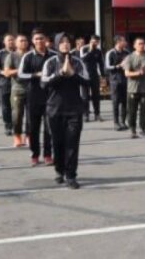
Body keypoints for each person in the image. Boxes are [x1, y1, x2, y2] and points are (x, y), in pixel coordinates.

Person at [41, 33, 89, 189]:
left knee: (72, 143)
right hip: (55, 109)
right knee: (58, 143)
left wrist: (72, 74)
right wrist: (61, 73)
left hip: (74, 109)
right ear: (56, 45)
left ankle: (71, 175)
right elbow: (44, 83)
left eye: (68, 41)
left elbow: (86, 81)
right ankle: (59, 171)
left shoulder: (78, 62)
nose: (65, 44)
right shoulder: (50, 62)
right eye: (61, 42)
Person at [19, 29, 56, 166]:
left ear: (46, 40)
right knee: (33, 128)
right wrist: (36, 75)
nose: (39, 41)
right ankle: (34, 155)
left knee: (49, 128)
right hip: (33, 96)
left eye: (41, 38)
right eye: (36, 39)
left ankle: (48, 155)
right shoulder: (28, 56)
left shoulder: (54, 55)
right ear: (32, 41)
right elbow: (21, 75)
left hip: (50, 97)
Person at [123, 37, 145, 139]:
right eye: (139, 44)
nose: (141, 45)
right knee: (132, 110)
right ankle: (132, 130)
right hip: (132, 88)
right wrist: (138, 73)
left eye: (143, 43)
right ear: (134, 46)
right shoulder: (129, 57)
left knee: (144, 110)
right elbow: (127, 73)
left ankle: (143, 129)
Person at [3, 34, 30, 147]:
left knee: (31, 115)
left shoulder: (31, 55)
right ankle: (17, 136)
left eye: (25, 40)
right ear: (16, 43)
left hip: (31, 89)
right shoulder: (11, 56)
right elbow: (6, 72)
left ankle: (29, 136)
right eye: (21, 40)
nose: (23, 42)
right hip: (17, 89)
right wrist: (20, 70)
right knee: (17, 114)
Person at [105, 35, 130, 131]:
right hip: (115, 81)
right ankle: (116, 123)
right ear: (118, 42)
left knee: (124, 102)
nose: (125, 42)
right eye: (123, 41)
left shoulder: (127, 52)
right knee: (115, 102)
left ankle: (123, 122)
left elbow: (130, 64)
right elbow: (107, 67)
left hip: (125, 80)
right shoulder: (110, 53)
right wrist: (118, 66)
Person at [0, 34, 16, 135]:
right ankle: (8, 125)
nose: (11, 41)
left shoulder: (18, 53)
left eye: (12, 40)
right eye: (9, 40)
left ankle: (16, 124)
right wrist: (3, 72)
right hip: (5, 83)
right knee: (5, 106)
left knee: (17, 107)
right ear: (4, 42)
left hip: (17, 83)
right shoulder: (0, 53)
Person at [80, 35, 105, 122]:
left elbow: (101, 63)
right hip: (84, 75)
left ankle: (97, 114)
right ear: (90, 41)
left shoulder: (98, 51)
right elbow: (83, 59)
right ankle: (85, 114)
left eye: (97, 42)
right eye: (93, 41)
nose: (95, 43)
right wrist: (90, 50)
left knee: (96, 96)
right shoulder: (84, 48)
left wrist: (103, 75)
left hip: (94, 75)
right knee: (85, 96)